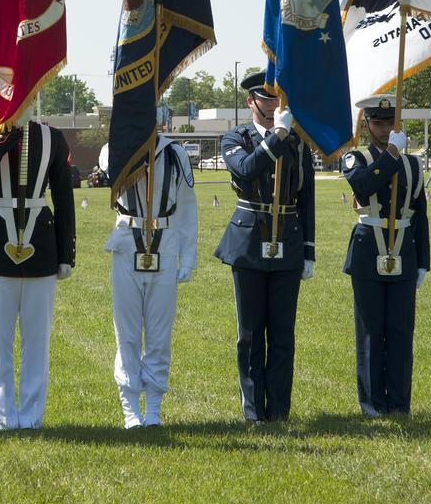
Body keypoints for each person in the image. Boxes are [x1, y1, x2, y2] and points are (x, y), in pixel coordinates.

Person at [215, 72, 315, 423]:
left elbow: (306, 197)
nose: (273, 105)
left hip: (287, 237)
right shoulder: (235, 137)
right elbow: (246, 168)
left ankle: (280, 410)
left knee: (283, 333)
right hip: (248, 241)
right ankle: (254, 410)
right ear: (251, 102)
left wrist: (309, 249)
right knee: (251, 332)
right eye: (266, 99)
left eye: (277, 99)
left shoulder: (296, 141)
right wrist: (278, 136)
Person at [0, 117, 76, 430]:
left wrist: (66, 251)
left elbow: (64, 196)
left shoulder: (52, 136)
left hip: (41, 242)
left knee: (37, 340)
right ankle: (1, 418)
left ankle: (30, 417)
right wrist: (8, 132)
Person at [341, 95, 430, 417]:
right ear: (367, 125)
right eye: (378, 123)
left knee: (401, 331)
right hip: (369, 249)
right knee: (370, 330)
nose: (384, 128)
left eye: (390, 123)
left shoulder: (414, 163)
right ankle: (372, 403)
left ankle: (399, 402)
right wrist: (391, 153)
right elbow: (363, 186)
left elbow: (420, 214)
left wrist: (423, 261)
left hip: (404, 247)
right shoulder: (356, 158)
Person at [106, 135, 198, 428]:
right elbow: (109, 167)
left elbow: (186, 207)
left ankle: (154, 408)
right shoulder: (115, 148)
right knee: (128, 333)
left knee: (159, 333)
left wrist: (188, 257)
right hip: (126, 244)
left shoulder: (175, 154)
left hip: (165, 243)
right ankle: (130, 408)